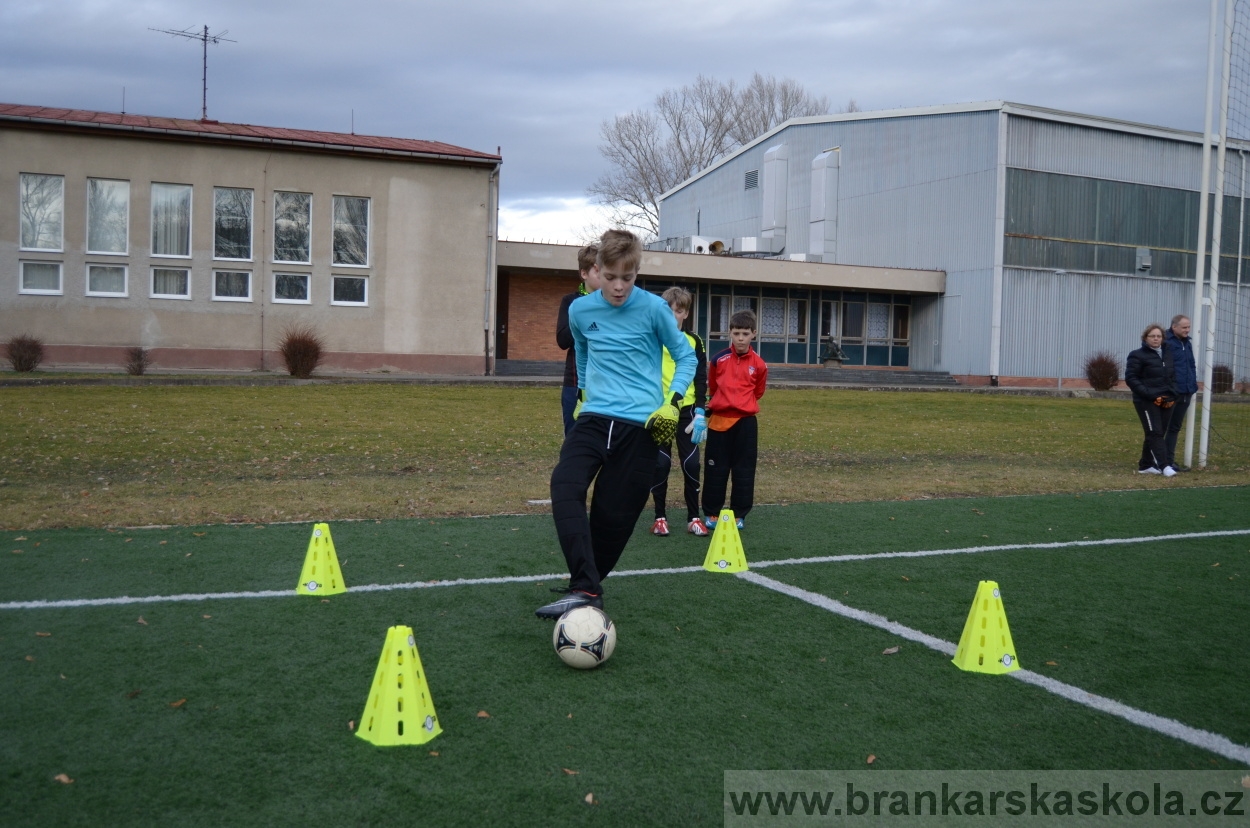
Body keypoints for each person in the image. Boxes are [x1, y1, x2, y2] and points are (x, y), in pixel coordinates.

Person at [537, 229, 697, 619]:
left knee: (611, 517)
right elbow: (584, 352)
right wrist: (585, 394)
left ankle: (585, 587)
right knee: (565, 484)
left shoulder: (655, 310)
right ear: (596, 269)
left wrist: (672, 404)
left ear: (637, 271)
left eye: (629, 277)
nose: (620, 286)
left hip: (640, 427)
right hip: (593, 420)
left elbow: (686, 358)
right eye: (611, 277)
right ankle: (586, 587)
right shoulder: (580, 310)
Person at [649, 287, 709, 537]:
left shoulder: (694, 341)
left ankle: (694, 517)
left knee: (692, 464)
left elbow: (701, 377)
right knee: (660, 464)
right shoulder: (652, 338)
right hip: (661, 411)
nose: (674, 315)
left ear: (686, 314)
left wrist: (701, 412)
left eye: (680, 310)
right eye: (669, 310)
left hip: (687, 412)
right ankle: (659, 517)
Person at [701, 309, 767, 530]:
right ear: (729, 333)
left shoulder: (759, 364)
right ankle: (711, 512)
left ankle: (739, 514)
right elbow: (713, 386)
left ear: (754, 334)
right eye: (737, 333)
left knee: (744, 470)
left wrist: (741, 404)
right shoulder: (718, 359)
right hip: (720, 421)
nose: (741, 338)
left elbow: (757, 392)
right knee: (715, 469)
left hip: (745, 423)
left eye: (745, 333)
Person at [556, 244, 601, 434]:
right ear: (584, 273)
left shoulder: (615, 304)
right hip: (575, 385)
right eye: (598, 271)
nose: (604, 276)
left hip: (608, 384)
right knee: (575, 440)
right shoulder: (570, 302)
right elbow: (562, 340)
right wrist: (585, 320)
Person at [1124, 322, 1178, 478]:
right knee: (1155, 432)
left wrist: (1173, 393)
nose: (1156, 339)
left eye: (1159, 336)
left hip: (1166, 398)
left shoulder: (1168, 354)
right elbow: (1131, 378)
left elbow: (1172, 375)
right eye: (1152, 336)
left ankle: (1146, 465)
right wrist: (1150, 394)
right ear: (1145, 338)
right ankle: (1164, 465)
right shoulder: (1137, 355)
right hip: (1146, 400)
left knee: (1157, 432)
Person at [1163, 314, 1197, 472]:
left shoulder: (1187, 344)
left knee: (1175, 428)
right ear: (1174, 327)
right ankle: (1158, 461)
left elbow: (1191, 365)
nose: (1187, 330)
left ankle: (1169, 461)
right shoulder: (1166, 342)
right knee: (1161, 427)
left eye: (1188, 327)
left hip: (1186, 392)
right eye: (1184, 327)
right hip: (1171, 393)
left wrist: (1192, 385)